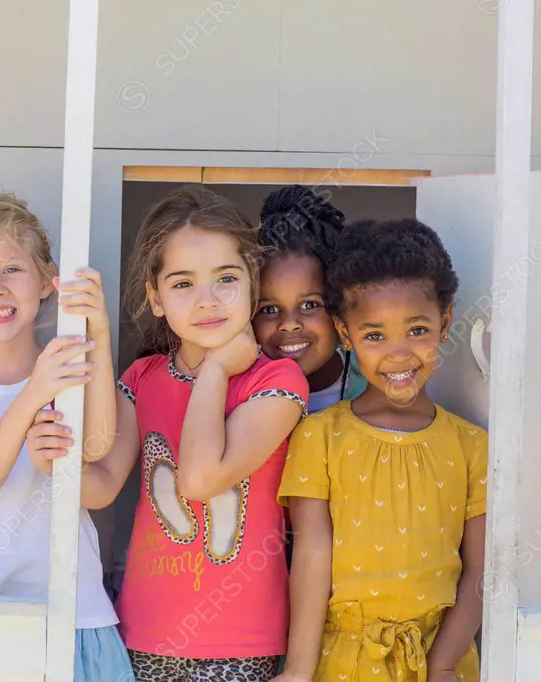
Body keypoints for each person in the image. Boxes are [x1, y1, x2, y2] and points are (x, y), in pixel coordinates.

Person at [29, 185, 308, 681]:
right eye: (182, 284)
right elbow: (98, 485)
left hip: (241, 643)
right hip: (144, 634)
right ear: (155, 299)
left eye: (225, 278)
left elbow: (200, 478)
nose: (207, 300)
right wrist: (55, 456)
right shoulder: (142, 379)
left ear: (252, 284)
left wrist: (219, 368)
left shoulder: (277, 381)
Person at [0, 191, 132, 682]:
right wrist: (35, 392)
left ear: (45, 282)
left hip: (74, 615)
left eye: (11, 269)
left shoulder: (68, 365)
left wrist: (95, 328)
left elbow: (98, 445)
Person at [274, 218, 487, 682]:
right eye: (374, 335)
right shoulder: (319, 435)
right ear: (345, 333)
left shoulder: (473, 446)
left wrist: (444, 665)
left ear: (445, 324)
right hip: (343, 662)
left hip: (441, 660)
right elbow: (312, 554)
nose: (397, 354)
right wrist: (297, 670)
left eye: (416, 330)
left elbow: (482, 572)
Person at [254, 185, 366, 412]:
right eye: (269, 309)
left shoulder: (374, 383)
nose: (289, 324)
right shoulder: (236, 391)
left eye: (309, 305)